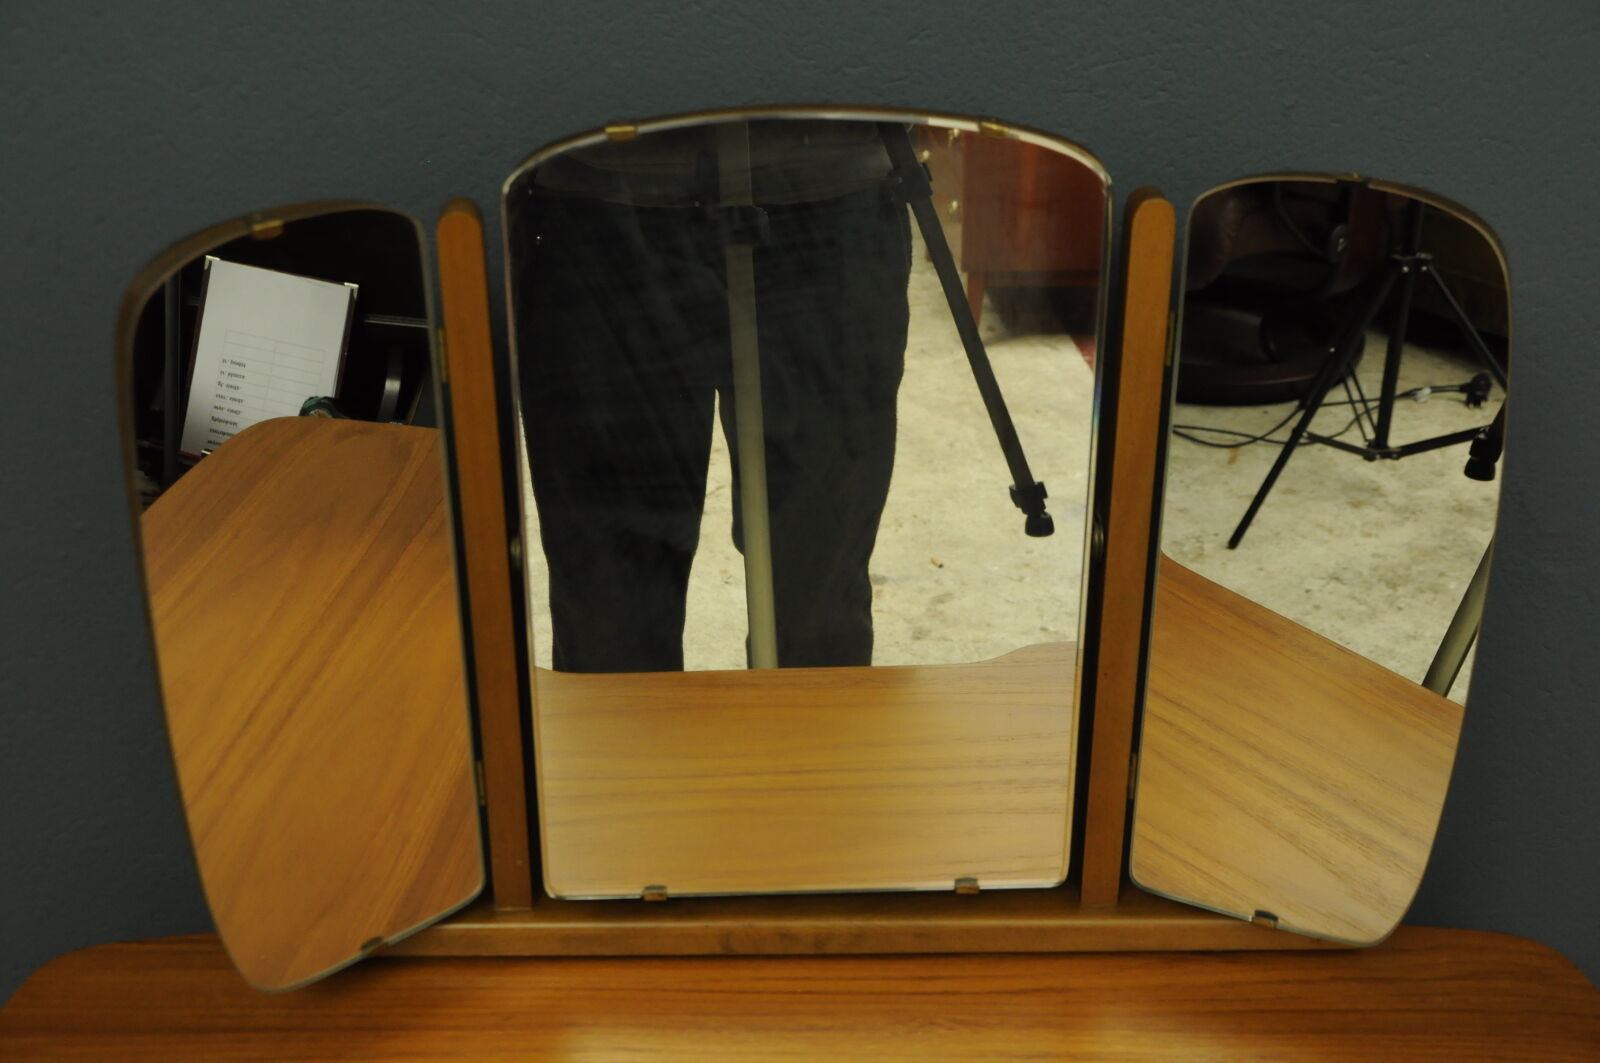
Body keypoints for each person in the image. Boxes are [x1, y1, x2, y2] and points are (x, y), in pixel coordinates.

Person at [508, 119, 913, 672]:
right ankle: (624, 759)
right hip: (600, 191)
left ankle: (814, 756)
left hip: (826, 182)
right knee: (611, 604)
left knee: (819, 583)